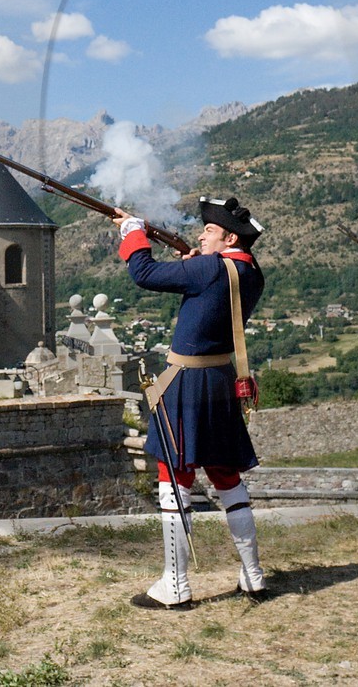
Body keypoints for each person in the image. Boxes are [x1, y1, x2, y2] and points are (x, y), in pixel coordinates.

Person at [115, 196, 268, 609]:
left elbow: (144, 273)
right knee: (226, 476)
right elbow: (215, 283)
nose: (201, 236)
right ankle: (253, 575)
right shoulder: (250, 271)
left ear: (230, 237)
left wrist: (133, 233)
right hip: (220, 379)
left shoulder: (209, 268)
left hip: (187, 382)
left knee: (173, 478)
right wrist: (195, 260)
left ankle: (176, 585)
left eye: (209, 231)